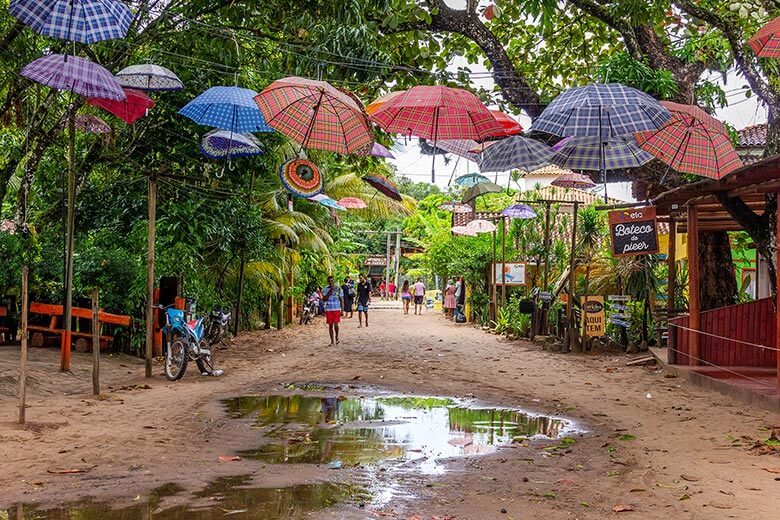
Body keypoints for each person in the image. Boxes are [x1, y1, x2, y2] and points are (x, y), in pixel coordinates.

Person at [322, 276, 343, 345]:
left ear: (334, 281)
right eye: (329, 281)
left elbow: (341, 299)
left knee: (336, 324)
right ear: (328, 282)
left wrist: (342, 310)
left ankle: (337, 337)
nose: (331, 282)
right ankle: (332, 341)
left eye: (332, 281)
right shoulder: (325, 289)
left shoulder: (338, 289)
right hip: (328, 309)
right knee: (330, 325)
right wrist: (330, 292)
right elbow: (324, 299)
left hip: (336, 308)